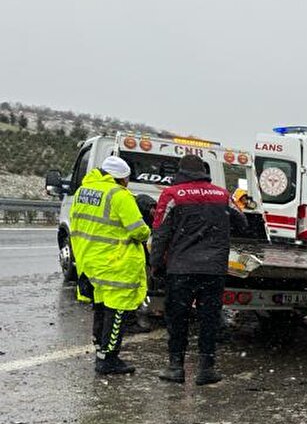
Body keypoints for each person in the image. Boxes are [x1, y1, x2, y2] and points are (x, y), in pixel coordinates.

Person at [150, 153, 247, 385]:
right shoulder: (222, 194)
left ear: (180, 172)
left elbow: (160, 233)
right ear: (203, 171)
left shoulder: (172, 195)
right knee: (209, 318)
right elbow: (242, 222)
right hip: (213, 269)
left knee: (178, 318)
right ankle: (206, 369)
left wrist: (156, 265)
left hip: (181, 268)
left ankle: (176, 367)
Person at [68, 156, 151, 375]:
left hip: (90, 262)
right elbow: (138, 230)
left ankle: (100, 351)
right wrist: (147, 228)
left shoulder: (82, 192)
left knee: (101, 309)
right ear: (122, 178)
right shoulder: (118, 195)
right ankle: (109, 359)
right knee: (117, 314)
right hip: (115, 263)